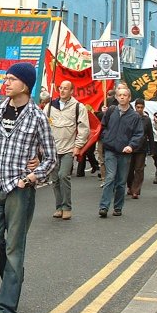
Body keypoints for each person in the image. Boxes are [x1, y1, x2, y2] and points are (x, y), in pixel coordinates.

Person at [0, 62, 56, 313]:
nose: (6, 82)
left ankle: (7, 307)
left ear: (25, 85)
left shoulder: (38, 117)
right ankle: (14, 276)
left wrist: (32, 176)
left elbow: (51, 158)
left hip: (19, 189)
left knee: (15, 247)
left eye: (11, 79)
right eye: (6, 78)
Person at [45, 80, 90, 219]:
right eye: (61, 88)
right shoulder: (49, 106)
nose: (62, 90)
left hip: (68, 149)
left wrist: (78, 146)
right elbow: (42, 125)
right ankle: (58, 207)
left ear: (71, 91)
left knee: (63, 175)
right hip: (52, 150)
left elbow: (84, 129)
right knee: (55, 179)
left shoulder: (78, 107)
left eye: (66, 88)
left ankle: (67, 207)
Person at [97, 86, 144, 217]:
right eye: (120, 95)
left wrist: (131, 146)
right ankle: (104, 207)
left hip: (124, 153)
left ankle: (118, 207)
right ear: (116, 97)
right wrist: (106, 138)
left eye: (125, 95)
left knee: (121, 181)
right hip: (111, 150)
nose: (122, 97)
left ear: (129, 98)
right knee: (110, 177)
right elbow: (103, 126)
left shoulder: (134, 116)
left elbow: (138, 134)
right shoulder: (111, 111)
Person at [125, 98, 153, 199]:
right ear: (135, 107)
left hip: (142, 148)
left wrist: (152, 150)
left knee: (139, 169)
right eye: (138, 107)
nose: (139, 109)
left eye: (141, 107)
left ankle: (136, 190)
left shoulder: (147, 120)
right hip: (131, 147)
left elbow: (150, 134)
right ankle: (130, 186)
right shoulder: (130, 118)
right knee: (129, 169)